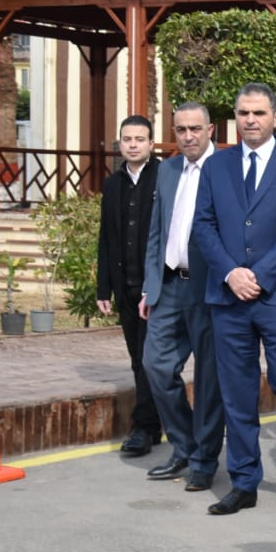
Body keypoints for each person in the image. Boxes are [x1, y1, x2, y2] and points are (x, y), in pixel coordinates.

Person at [192, 82, 276, 516]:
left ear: (275, 117)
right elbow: (203, 225)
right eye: (243, 112)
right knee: (237, 393)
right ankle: (244, 481)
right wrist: (231, 273)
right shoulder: (216, 166)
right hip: (228, 298)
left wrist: (260, 276)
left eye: (259, 113)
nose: (250, 120)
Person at [138, 103, 225, 492]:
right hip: (170, 284)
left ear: (210, 130)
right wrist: (150, 284)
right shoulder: (168, 169)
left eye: (195, 129)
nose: (188, 136)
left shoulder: (226, 168)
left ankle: (203, 459)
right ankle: (185, 445)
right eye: (181, 130)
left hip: (208, 288)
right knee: (155, 365)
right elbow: (157, 231)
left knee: (207, 379)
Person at [97, 114, 163, 459]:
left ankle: (144, 426)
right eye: (127, 139)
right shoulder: (112, 184)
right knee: (138, 358)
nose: (133, 145)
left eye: (140, 139)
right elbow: (106, 237)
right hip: (126, 287)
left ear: (151, 143)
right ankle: (153, 425)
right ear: (119, 143)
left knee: (153, 359)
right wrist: (103, 287)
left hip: (158, 288)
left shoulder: (165, 177)